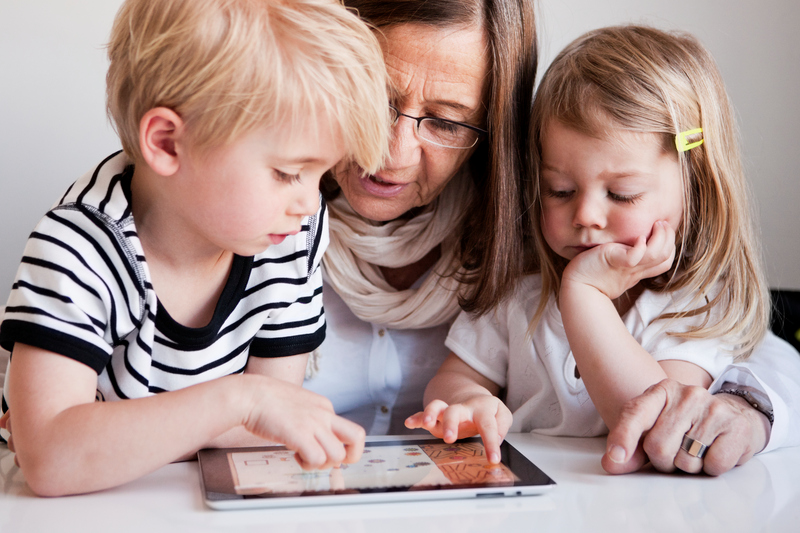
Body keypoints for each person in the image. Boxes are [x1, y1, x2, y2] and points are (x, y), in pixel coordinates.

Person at [0, 0, 390, 496]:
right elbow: (52, 462)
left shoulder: (288, 235)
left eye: (320, 174)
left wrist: (110, 435)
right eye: (287, 172)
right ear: (167, 144)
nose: (311, 203)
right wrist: (238, 403)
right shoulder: (79, 248)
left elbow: (275, 420)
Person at [406, 25, 800, 475]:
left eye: (622, 194)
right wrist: (467, 402)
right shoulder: (517, 296)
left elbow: (656, 431)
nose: (586, 215)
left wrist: (585, 296)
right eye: (560, 190)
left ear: (696, 188)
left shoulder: (697, 306)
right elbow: (457, 376)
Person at [302, 0, 537, 434]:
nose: (390, 152)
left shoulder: (532, 253)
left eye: (444, 123)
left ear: (491, 133)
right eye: (375, 98)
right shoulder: (259, 221)